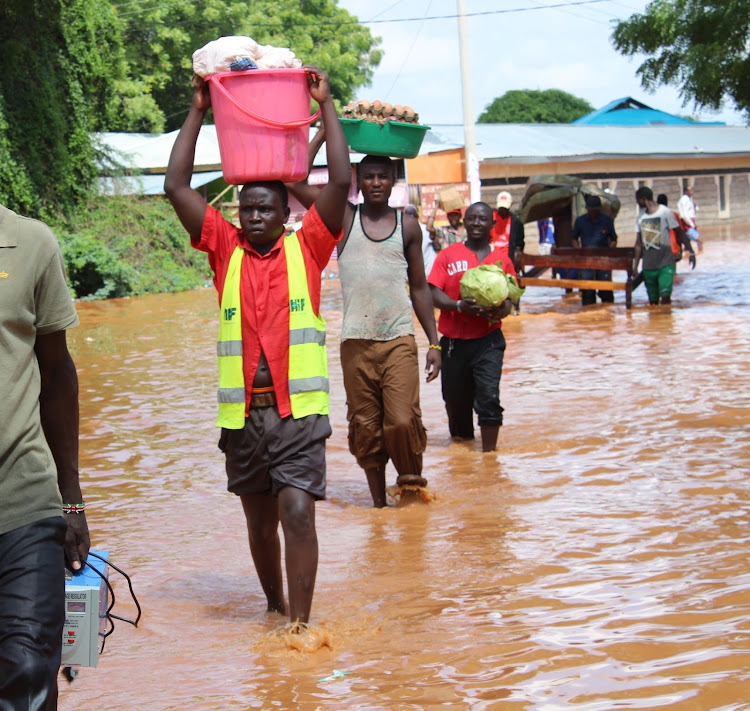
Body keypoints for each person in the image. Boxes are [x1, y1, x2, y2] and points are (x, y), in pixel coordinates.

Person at [164, 67, 351, 625]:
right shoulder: (225, 248)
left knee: (297, 511)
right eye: (247, 209)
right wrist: (199, 110)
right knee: (258, 521)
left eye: (265, 208)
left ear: (286, 212)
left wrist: (327, 106)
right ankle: (274, 608)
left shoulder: (310, 246)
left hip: (298, 416)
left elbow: (339, 184)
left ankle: (300, 625)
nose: (255, 216)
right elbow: (175, 187)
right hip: (243, 417)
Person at [288, 155, 441, 507]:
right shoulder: (344, 217)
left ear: (393, 181)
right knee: (366, 428)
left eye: (383, 177)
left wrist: (435, 342)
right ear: (358, 181)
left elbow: (419, 288)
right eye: (369, 176)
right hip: (355, 341)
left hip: (398, 337)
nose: (376, 183)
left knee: (402, 422)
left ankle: (412, 492)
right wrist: (323, 135)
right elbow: (295, 183)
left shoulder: (408, 226)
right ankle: (379, 507)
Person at [0, 203, 90, 708]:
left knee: (30, 663)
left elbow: (57, 375)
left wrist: (71, 502)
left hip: (25, 495)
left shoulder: (31, 243)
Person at [428, 202, 515, 452]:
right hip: (454, 343)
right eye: (472, 218)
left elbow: (510, 300)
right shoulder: (448, 255)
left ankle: (490, 459)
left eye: (483, 219)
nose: (477, 223)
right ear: (465, 223)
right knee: (455, 404)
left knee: (489, 398)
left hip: (488, 340)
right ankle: (463, 459)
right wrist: (457, 306)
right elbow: (433, 293)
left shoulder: (501, 260)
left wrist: (501, 310)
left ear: (492, 224)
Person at [634, 187, 696, 305]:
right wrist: (635, 266)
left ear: (643, 199)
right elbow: (638, 243)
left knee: (665, 297)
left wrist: (691, 251)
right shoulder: (640, 217)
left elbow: (680, 233)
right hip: (648, 267)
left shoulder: (665, 212)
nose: (637, 203)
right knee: (653, 302)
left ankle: (667, 322)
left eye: (637, 200)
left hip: (665, 265)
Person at [571, 195, 618, 306]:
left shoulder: (607, 220)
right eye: (591, 210)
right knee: (587, 292)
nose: (593, 212)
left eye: (595, 210)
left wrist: (609, 253)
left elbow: (614, 239)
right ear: (587, 209)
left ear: (599, 209)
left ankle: (608, 313)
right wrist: (579, 252)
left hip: (603, 261)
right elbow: (574, 238)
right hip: (586, 262)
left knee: (606, 291)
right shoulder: (580, 221)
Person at [489, 191, 525, 272]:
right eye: (501, 208)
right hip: (490, 260)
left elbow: (520, 243)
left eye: (505, 208)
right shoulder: (490, 218)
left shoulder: (516, 223)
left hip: (507, 261)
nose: (503, 210)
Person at [406, 204, 437, 277]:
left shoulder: (424, 230)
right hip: (415, 279)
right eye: (407, 216)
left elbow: (430, 227)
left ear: (417, 217)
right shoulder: (402, 233)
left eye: (412, 216)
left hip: (430, 275)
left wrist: (436, 207)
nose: (410, 219)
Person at [656, 193, 686, 262]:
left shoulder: (653, 215)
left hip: (659, 249)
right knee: (672, 270)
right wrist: (681, 248)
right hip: (673, 248)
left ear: (657, 203)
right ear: (667, 203)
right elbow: (680, 233)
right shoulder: (674, 214)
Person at [677, 184, 703, 253]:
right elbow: (684, 214)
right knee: (699, 240)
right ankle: (701, 252)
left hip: (690, 221)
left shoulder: (690, 199)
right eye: (690, 190)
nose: (692, 192)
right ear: (686, 191)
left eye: (692, 190)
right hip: (687, 222)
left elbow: (693, 210)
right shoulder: (684, 200)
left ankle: (686, 255)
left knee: (687, 242)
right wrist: (690, 224)